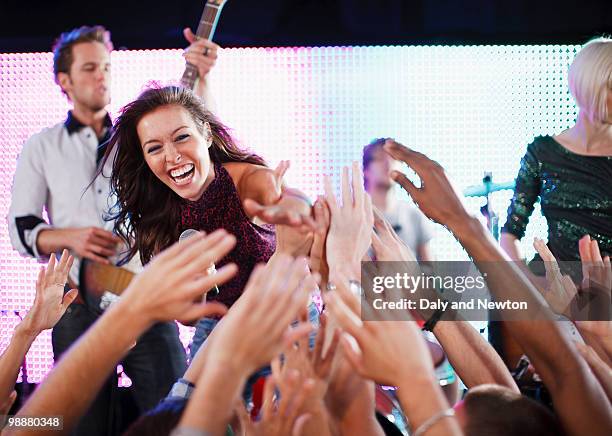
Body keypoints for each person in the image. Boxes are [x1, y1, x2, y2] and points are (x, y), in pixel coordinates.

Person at [6, 25, 219, 435]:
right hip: (77, 304)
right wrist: (72, 237)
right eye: (89, 68)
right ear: (64, 81)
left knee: (176, 413)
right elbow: (22, 228)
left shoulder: (138, 137)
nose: (101, 76)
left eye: (105, 66)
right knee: (80, 423)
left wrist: (201, 76)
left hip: (145, 298)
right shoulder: (41, 146)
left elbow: (189, 133)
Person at [102, 84, 314, 360]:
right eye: (155, 148)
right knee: (186, 401)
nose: (172, 156)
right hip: (218, 332)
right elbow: (189, 317)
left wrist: (292, 207)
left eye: (181, 138)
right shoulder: (159, 213)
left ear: (207, 134)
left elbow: (294, 210)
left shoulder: (249, 181)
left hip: (285, 321)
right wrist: (199, 284)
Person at [500, 37, 612, 268]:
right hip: (553, 289)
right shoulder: (543, 153)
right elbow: (510, 234)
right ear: (592, 85)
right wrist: (529, 284)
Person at [363, 138, 434, 261]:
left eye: (393, 158)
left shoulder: (414, 215)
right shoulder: (351, 218)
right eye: (380, 158)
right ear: (366, 170)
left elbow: (431, 273)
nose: (388, 164)